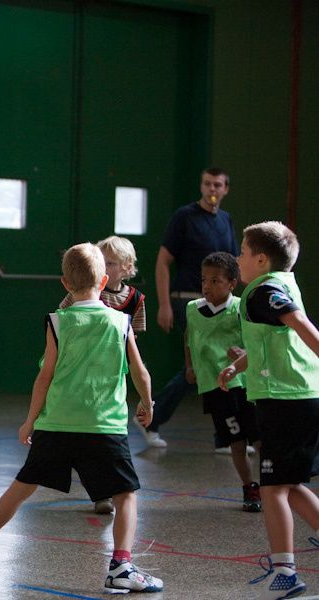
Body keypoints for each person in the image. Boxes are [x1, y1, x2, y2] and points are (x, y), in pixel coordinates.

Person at [0, 243, 163, 594]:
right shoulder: (121, 322)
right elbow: (140, 372)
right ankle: (121, 565)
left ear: (65, 283)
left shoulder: (58, 322)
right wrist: (148, 403)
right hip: (103, 426)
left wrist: (30, 420)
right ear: (104, 279)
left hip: (56, 424)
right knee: (125, 496)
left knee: (20, 488)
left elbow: (44, 376)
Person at [217, 222, 319, 599]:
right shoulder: (283, 282)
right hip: (300, 395)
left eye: (242, 253)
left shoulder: (265, 291)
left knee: (273, 488)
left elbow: (301, 324)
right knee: (291, 485)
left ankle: (285, 572)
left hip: (285, 401)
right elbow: (279, 341)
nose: (238, 259)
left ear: (261, 259)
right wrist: (238, 365)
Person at [145, 167, 239, 449]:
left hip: (221, 303)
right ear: (201, 186)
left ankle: (225, 435)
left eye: (218, 185)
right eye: (207, 184)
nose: (212, 189)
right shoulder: (185, 217)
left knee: (213, 364)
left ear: (225, 190)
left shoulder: (226, 220)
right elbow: (163, 261)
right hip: (189, 300)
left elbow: (233, 261)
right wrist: (164, 304)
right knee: (199, 364)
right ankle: (154, 419)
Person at [59, 235, 145, 515]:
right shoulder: (82, 294)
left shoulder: (135, 300)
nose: (105, 266)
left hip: (112, 374)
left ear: (127, 267)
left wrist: (146, 397)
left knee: (106, 435)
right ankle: (99, 493)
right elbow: (62, 320)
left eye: (111, 262)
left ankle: (108, 488)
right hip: (82, 371)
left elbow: (134, 342)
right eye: (102, 261)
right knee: (87, 437)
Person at [185, 252, 261, 512]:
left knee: (259, 440)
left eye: (215, 281)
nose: (207, 286)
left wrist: (244, 354)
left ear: (232, 283)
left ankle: (273, 486)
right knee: (236, 442)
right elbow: (188, 338)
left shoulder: (241, 307)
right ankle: (249, 487)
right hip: (215, 387)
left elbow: (255, 341)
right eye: (204, 280)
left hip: (245, 384)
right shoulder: (192, 309)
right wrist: (190, 365)